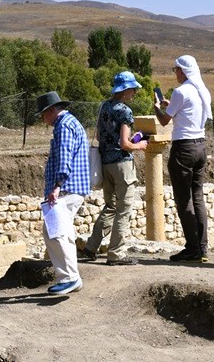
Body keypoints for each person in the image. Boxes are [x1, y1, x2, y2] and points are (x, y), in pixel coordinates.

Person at [81, 71, 148, 266]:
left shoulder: (104, 107)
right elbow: (125, 144)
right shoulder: (125, 111)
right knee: (123, 209)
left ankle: (91, 247)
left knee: (109, 206)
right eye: (133, 89)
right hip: (122, 164)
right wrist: (140, 145)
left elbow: (102, 138)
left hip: (105, 163)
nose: (134, 92)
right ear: (125, 90)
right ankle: (116, 254)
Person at [154, 55, 213, 263]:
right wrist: (171, 105)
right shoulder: (202, 90)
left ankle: (192, 248)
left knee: (183, 199)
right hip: (200, 146)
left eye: (176, 69)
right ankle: (202, 247)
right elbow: (189, 112)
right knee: (197, 197)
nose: (175, 73)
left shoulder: (180, 91)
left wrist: (156, 107)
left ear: (183, 71)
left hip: (184, 149)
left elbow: (163, 121)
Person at [37, 91, 90, 294]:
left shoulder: (64, 125)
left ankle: (70, 277)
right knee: (58, 231)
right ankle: (70, 276)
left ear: (51, 110)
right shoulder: (70, 122)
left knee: (56, 232)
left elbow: (64, 156)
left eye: (43, 115)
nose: (43, 120)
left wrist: (57, 186)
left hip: (67, 188)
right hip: (71, 187)